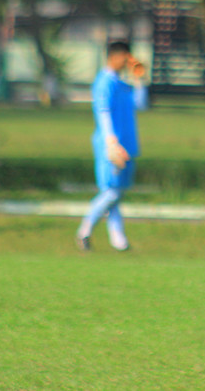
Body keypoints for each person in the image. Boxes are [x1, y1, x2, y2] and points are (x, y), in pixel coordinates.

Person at [76, 41, 148, 252]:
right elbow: (103, 112)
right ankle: (85, 230)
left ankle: (118, 240)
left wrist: (140, 79)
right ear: (116, 57)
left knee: (117, 192)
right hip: (112, 145)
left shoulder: (122, 83)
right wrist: (110, 142)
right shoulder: (104, 82)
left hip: (127, 144)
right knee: (111, 191)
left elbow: (141, 104)